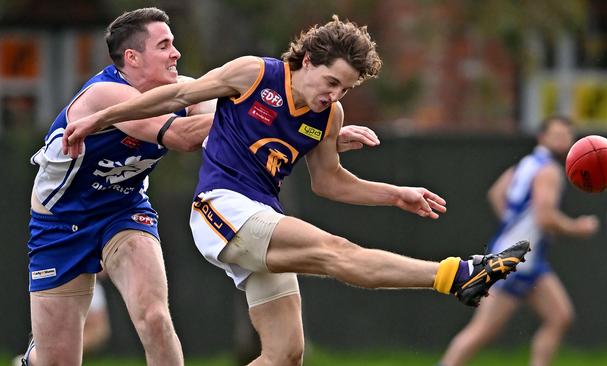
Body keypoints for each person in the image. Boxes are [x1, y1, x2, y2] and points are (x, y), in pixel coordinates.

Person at [63, 15, 530, 365]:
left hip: (259, 218)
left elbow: (329, 182)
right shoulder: (254, 74)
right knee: (337, 251)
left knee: (286, 354)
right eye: (331, 81)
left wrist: (395, 193)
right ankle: (458, 274)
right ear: (307, 60)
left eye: (344, 89)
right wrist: (99, 118)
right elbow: (177, 97)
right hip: (220, 209)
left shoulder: (329, 116)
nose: (334, 95)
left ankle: (458, 275)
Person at [19, 8, 376, 366]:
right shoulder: (103, 96)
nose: (176, 53)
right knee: (57, 362)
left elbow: (232, 136)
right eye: (164, 45)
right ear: (132, 57)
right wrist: (274, 125)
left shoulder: (188, 89)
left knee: (155, 317)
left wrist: (301, 134)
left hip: (122, 213)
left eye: (174, 43)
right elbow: (183, 136)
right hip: (59, 222)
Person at [439, 116, 599, 366]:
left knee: (560, 316)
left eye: (566, 136)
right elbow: (545, 217)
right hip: (514, 261)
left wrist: (514, 225)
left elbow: (496, 193)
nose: (562, 141)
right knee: (482, 331)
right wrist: (577, 228)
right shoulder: (549, 170)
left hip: (527, 259)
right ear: (542, 137)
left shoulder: (527, 163)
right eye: (557, 135)